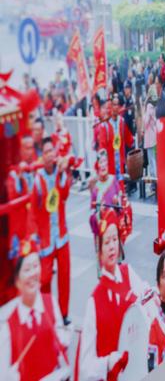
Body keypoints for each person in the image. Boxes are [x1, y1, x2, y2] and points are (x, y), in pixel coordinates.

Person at [80, 209, 151, 381]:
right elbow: (85, 367)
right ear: (99, 250)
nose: (112, 246)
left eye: (114, 239)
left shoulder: (129, 274)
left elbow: (145, 295)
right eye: (106, 242)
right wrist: (108, 362)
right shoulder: (94, 301)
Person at [0, 237, 70, 381]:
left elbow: (59, 345)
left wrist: (63, 342)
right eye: (27, 269)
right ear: (17, 280)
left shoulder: (51, 303)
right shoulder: (9, 326)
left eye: (35, 266)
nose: (32, 273)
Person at [34, 137, 73, 324]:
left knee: (64, 276)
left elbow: (65, 194)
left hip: (62, 235)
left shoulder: (60, 172)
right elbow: (33, 212)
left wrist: (64, 170)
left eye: (52, 151)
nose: (50, 155)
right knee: (45, 280)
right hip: (45, 241)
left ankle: (64, 314)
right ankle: (47, 316)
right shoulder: (37, 180)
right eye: (46, 152)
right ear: (42, 156)